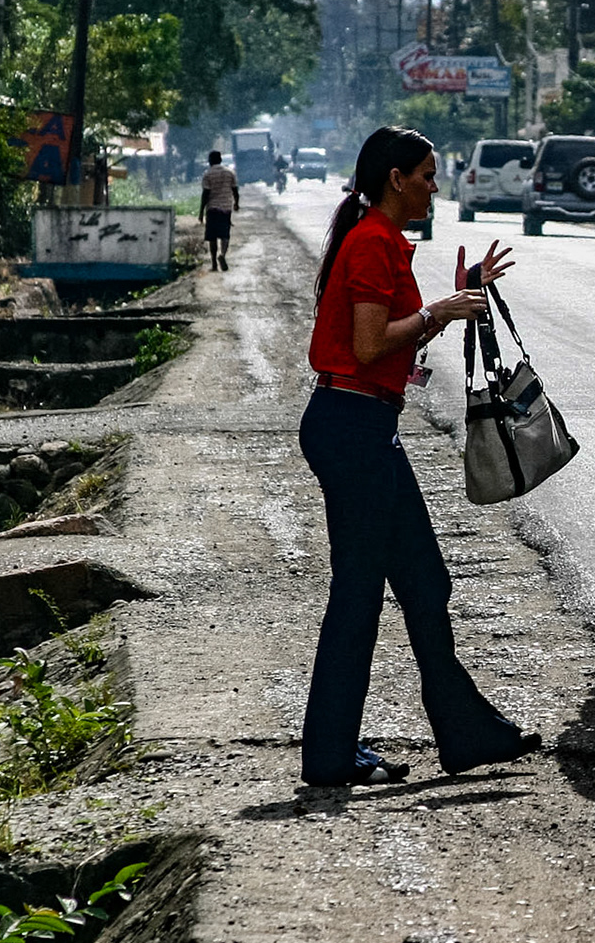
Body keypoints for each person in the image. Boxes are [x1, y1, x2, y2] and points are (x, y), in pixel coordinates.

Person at [299, 125, 540, 787]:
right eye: (428, 176)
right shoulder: (374, 241)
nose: (435, 187)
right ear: (396, 178)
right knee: (360, 595)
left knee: (424, 584)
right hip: (354, 429)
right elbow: (373, 345)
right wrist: (441, 313)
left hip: (360, 426)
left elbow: (384, 335)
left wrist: (461, 292)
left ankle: (464, 734)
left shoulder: (377, 240)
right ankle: (330, 756)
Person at [200, 150, 239, 271]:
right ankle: (222, 255)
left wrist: (201, 211)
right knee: (224, 234)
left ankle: (214, 264)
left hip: (212, 208)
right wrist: (236, 203)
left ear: (210, 161)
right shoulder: (230, 173)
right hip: (226, 208)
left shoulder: (207, 174)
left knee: (212, 237)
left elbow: (205, 194)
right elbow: (235, 191)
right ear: (221, 160)